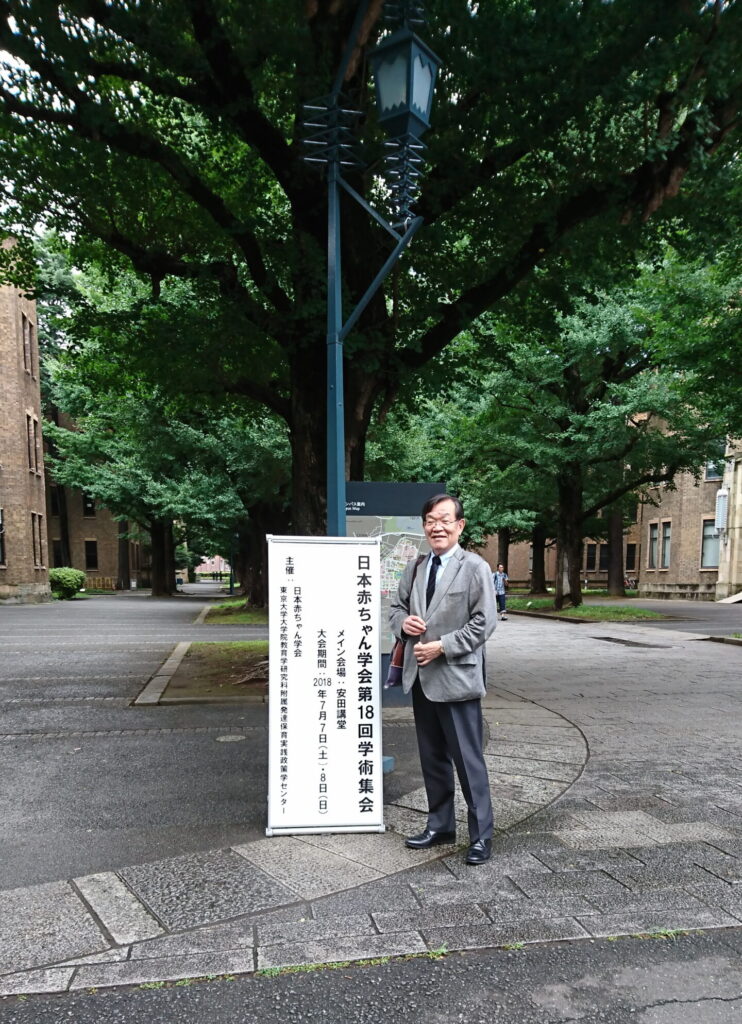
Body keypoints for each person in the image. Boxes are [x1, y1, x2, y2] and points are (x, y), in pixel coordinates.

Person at [389, 494, 497, 865]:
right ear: (424, 526)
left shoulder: (475, 567)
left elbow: (485, 622)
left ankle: (481, 835)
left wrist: (442, 646)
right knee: (432, 757)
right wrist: (403, 624)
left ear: (460, 525)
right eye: (431, 520)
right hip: (420, 678)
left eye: (445, 520)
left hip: (456, 678)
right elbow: (396, 607)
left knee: (468, 760)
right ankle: (441, 825)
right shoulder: (417, 566)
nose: (437, 526)